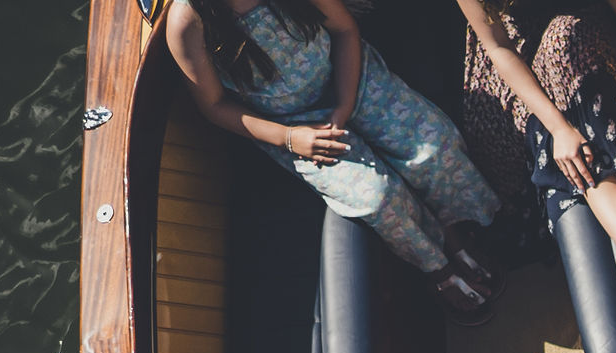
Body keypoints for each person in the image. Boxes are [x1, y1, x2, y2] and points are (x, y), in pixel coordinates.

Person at [166, 0, 505, 319]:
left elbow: (344, 30)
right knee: (377, 197)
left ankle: (455, 228)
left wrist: (344, 104)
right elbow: (213, 106)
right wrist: (289, 138)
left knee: (434, 148)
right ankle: (438, 267)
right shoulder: (189, 22)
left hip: (350, 79)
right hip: (293, 125)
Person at [450, 1, 616, 349]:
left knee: (564, 44)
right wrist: (559, 129)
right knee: (549, 132)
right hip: (513, 55)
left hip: (578, 23)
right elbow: (497, 46)